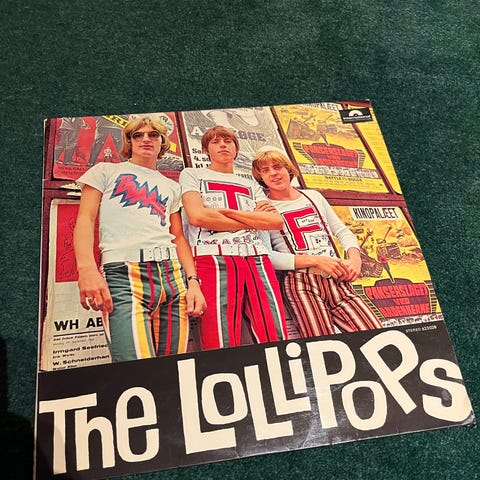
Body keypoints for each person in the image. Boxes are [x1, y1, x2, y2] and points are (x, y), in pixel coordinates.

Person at [73, 116, 206, 362]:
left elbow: (178, 236)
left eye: (153, 135)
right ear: (129, 141)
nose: (146, 139)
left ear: (162, 142)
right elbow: (85, 220)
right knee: (134, 369)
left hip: (172, 274)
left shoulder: (172, 186)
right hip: (124, 273)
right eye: (138, 135)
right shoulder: (105, 171)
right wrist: (86, 269)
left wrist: (193, 281)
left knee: (172, 369)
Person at [250, 148, 382, 338]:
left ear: (288, 169)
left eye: (277, 167)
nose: (273, 173)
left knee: (377, 335)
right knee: (323, 343)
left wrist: (355, 259)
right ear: (261, 177)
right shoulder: (264, 209)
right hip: (301, 283)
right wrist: (317, 261)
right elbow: (267, 257)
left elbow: (342, 231)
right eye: (265, 170)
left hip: (337, 278)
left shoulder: (313, 196)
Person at [179, 125, 287, 350]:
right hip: (212, 256)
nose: (223, 145)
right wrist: (253, 219)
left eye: (228, 141)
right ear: (205, 149)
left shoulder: (250, 183)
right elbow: (198, 216)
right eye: (216, 142)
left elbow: (275, 222)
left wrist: (225, 214)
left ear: (236, 149)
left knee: (274, 332)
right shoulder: (192, 174)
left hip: (256, 257)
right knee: (219, 338)